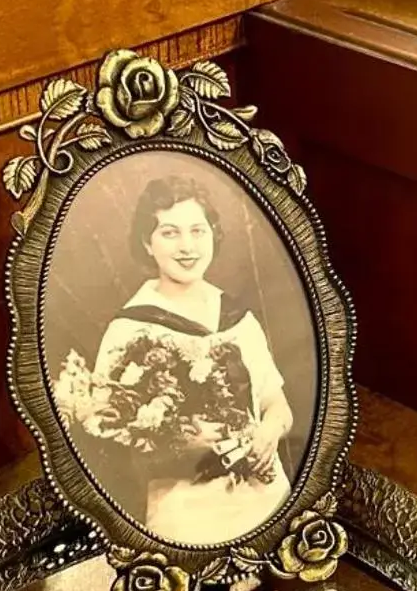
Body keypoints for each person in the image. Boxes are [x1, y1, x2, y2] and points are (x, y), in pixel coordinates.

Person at [86, 175, 294, 544]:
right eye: (169, 233)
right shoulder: (129, 331)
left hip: (264, 493)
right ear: (147, 244)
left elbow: (275, 401)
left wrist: (269, 431)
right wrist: (181, 441)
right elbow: (109, 440)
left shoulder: (237, 316)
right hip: (186, 510)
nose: (187, 246)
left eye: (198, 230)